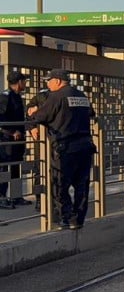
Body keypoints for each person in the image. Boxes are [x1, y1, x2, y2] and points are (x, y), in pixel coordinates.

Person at [28, 69, 97, 231]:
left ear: (58, 81)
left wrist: (33, 113)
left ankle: (65, 217)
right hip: (85, 146)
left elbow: (40, 117)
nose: (47, 84)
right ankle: (78, 219)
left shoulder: (56, 96)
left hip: (65, 148)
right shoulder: (80, 95)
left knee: (59, 184)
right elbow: (91, 113)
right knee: (82, 185)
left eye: (49, 81)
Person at [0, 71, 30, 209]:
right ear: (19, 82)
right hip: (7, 139)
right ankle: (1, 197)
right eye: (24, 81)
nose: (25, 84)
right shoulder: (5, 97)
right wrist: (12, 131)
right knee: (4, 167)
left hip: (18, 140)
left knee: (17, 166)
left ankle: (17, 196)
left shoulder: (17, 97)